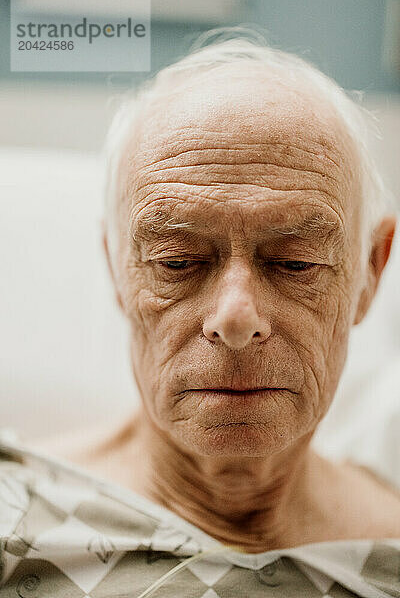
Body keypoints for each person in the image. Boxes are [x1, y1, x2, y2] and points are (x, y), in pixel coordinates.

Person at [1, 34, 399, 597]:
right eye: (178, 261)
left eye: (294, 262)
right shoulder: (15, 520)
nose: (236, 319)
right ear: (117, 268)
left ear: (370, 273)